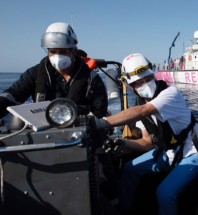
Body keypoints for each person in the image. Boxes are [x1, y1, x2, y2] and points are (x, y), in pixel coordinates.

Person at [90, 53, 198, 215]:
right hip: (168, 152)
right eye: (138, 83)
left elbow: (142, 111)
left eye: (148, 79)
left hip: (191, 154)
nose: (145, 84)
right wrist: (124, 143)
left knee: (164, 193)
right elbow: (148, 142)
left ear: (154, 75)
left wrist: (101, 122)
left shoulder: (170, 94)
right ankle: (125, 209)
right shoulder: (141, 103)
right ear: (130, 87)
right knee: (129, 169)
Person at [0, 22, 115, 187]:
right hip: (43, 134)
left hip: (83, 133)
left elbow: (100, 111)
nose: (57, 56)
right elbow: (13, 95)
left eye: (63, 52)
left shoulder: (91, 78)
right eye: (52, 52)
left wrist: (79, 113)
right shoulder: (34, 73)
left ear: (74, 50)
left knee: (104, 167)